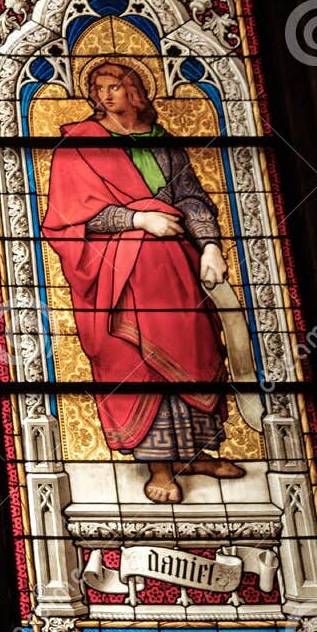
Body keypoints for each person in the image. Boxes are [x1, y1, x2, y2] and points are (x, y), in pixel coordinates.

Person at [41, 59, 244, 504]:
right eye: (99, 87)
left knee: (197, 348)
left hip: (177, 269)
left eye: (116, 86)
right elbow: (66, 218)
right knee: (139, 363)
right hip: (118, 277)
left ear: (137, 91)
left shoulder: (163, 144)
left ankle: (194, 455)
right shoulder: (80, 144)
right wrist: (137, 218)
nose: (107, 95)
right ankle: (160, 468)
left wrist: (210, 245)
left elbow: (191, 198)